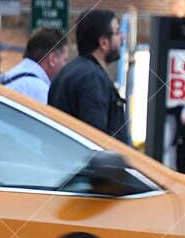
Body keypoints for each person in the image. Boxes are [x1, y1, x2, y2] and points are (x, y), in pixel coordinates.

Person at [47, 8, 128, 140]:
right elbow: (95, 139)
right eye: (118, 32)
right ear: (104, 43)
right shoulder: (93, 79)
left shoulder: (68, 72)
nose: (122, 38)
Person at [0, 27, 68, 105]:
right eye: (65, 60)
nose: (65, 66)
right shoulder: (39, 90)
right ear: (52, 59)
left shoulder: (11, 76)